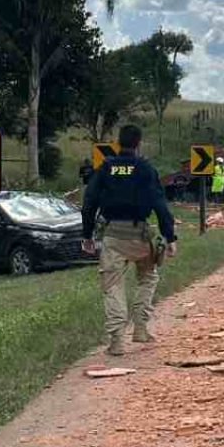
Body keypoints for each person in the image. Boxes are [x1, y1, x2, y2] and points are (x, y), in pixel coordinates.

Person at [81, 124, 177, 356]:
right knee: (148, 277)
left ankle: (116, 341)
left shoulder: (105, 168)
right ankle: (141, 328)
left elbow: (89, 203)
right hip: (140, 235)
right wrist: (169, 235)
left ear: (118, 143)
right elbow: (159, 204)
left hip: (113, 234)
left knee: (112, 285)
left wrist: (87, 235)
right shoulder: (145, 169)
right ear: (138, 144)